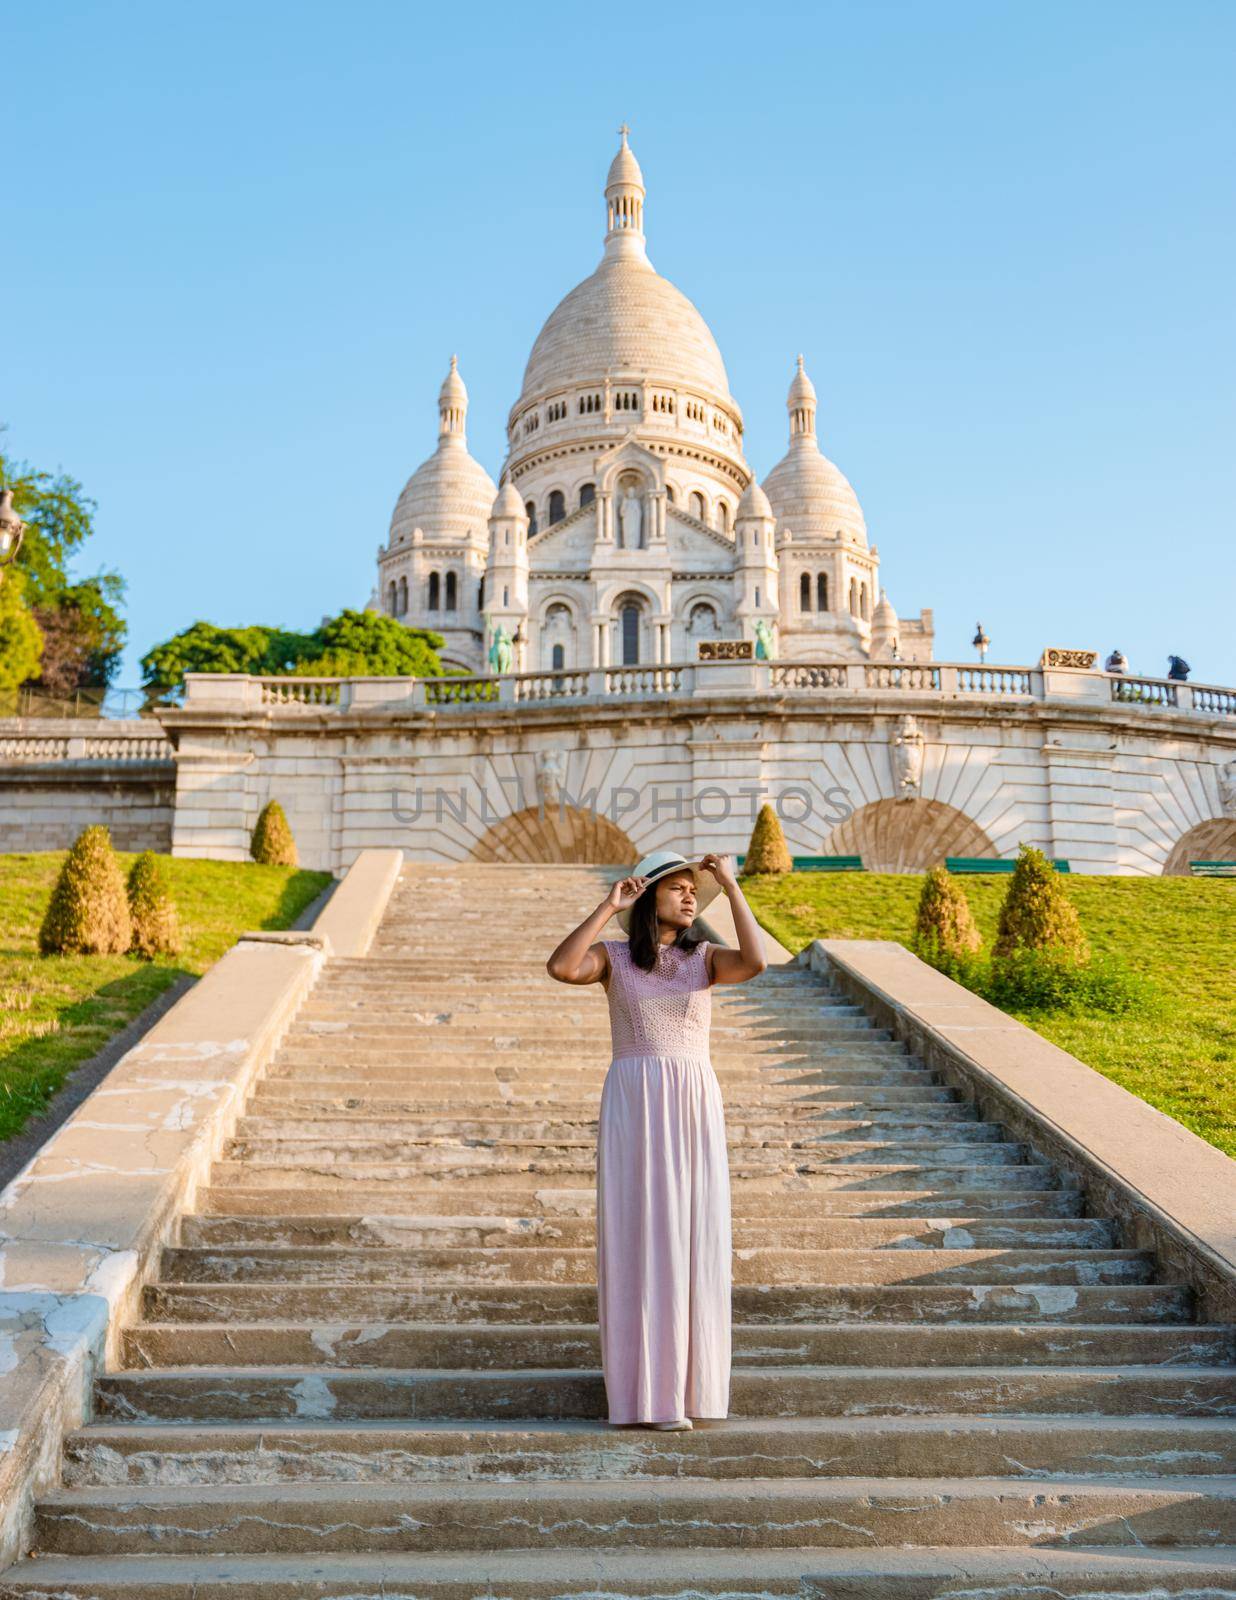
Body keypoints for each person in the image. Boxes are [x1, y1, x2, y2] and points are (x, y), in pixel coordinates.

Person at [545, 849, 767, 1430]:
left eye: (696, 891)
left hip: (692, 1098)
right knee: (640, 1234)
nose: (692, 897)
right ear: (648, 898)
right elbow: (562, 968)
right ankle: (647, 1396)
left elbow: (758, 962)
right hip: (636, 1097)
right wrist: (606, 906)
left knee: (691, 1234)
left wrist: (733, 887)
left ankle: (689, 1394)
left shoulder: (707, 959)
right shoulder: (614, 958)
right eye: (679, 889)